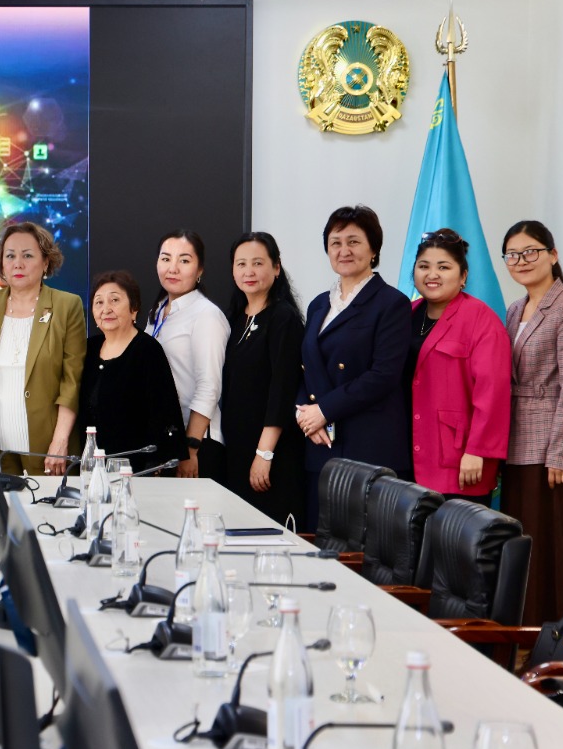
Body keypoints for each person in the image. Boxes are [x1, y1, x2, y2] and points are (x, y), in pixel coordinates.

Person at [501, 220, 563, 624]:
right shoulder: (514, 308)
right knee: (520, 543)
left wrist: (560, 453)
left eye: (530, 252)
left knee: (547, 547)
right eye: (512, 255)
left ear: (553, 255)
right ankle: (519, 633)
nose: (521, 260)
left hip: (550, 450)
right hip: (514, 443)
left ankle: (548, 635)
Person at [297, 206, 410, 524]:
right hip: (321, 444)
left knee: (367, 546)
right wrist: (304, 413)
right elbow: (306, 366)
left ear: (374, 249)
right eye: (335, 243)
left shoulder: (392, 303)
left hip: (369, 447)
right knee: (321, 541)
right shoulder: (318, 304)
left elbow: (384, 375)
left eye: (354, 241)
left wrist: (324, 411)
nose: (343, 250)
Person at [0, 221, 86, 477]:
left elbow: (72, 381)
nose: (18, 264)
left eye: (28, 255)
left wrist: (60, 440)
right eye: (10, 256)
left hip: (49, 448)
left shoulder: (67, 306)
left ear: (46, 262)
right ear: (2, 264)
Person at [407, 229, 511, 504]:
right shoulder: (407, 314)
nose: (432, 274)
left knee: (457, 531)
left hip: (460, 460)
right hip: (411, 455)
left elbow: (493, 392)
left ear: (463, 276)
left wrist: (477, 450)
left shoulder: (481, 319)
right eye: (424, 266)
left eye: (443, 267)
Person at [219, 233, 306, 524]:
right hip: (237, 450)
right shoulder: (234, 318)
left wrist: (264, 453)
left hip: (271, 453)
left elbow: (282, 389)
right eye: (241, 264)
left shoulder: (283, 318)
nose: (249, 271)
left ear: (276, 268)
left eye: (258, 263)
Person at [77, 270, 185, 475]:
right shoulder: (89, 348)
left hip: (137, 469)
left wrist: (155, 464)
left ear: (134, 309)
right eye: (99, 302)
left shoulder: (147, 349)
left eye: (114, 300)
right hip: (92, 467)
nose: (106, 309)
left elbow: (163, 412)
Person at [146, 230, 229, 478]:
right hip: (166, 439)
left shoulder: (206, 314)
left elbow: (209, 386)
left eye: (184, 260)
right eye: (166, 258)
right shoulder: (157, 312)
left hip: (197, 443)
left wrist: (190, 448)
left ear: (199, 269)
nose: (172, 268)